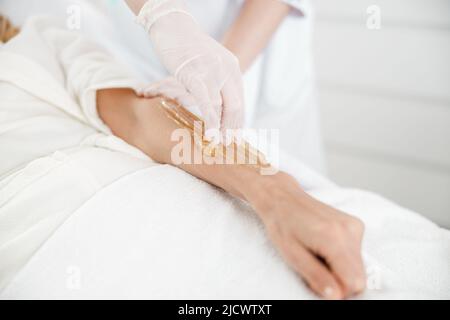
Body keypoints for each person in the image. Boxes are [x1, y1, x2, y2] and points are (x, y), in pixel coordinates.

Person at [0, 15, 365, 299]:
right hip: (54, 254)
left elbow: (141, 117)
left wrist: (277, 194)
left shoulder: (35, 42)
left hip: (178, 205)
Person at [108, 0, 325, 172]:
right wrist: (162, 14)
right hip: (146, 51)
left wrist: (219, 70)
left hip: (260, 51)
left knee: (291, 184)